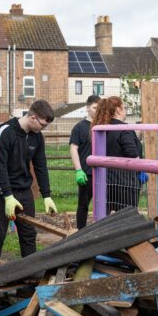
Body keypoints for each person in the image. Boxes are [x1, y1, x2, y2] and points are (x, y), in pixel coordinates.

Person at [0, 100, 58, 267]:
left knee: (28, 236)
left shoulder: (37, 137)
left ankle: (28, 283)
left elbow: (40, 166)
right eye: (43, 125)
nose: (43, 129)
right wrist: (7, 196)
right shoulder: (6, 131)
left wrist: (47, 195)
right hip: (1, 192)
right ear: (32, 117)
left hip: (24, 192)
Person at [91, 96, 143, 214]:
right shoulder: (124, 128)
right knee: (127, 219)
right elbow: (132, 153)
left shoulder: (101, 129)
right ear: (118, 109)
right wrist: (141, 167)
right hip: (125, 183)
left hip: (105, 182)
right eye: (124, 107)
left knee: (104, 219)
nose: (125, 110)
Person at [69, 95, 100, 229]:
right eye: (94, 107)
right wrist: (78, 170)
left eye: (99, 108)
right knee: (83, 205)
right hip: (86, 173)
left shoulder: (103, 126)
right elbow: (73, 148)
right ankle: (81, 232)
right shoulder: (79, 127)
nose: (96, 110)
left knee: (104, 204)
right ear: (87, 108)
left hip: (103, 172)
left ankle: (101, 231)